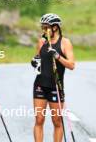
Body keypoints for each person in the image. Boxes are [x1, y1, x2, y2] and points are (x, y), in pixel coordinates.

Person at [31, 13, 75, 142]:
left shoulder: (65, 43)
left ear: (55, 27)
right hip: (39, 84)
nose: (43, 30)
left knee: (56, 121)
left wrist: (57, 56)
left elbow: (72, 65)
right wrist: (34, 61)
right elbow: (37, 58)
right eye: (42, 28)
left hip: (55, 86)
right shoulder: (42, 41)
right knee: (39, 119)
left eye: (46, 27)